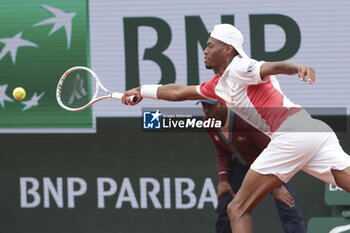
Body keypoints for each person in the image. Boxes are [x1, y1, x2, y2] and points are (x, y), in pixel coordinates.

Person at [122, 24, 350, 233]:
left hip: (290, 132)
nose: (205, 50)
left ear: (228, 49)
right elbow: (178, 92)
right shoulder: (219, 86)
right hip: (311, 129)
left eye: (211, 45)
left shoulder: (241, 67)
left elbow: (273, 67)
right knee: (343, 177)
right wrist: (141, 91)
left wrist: (297, 68)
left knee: (237, 209)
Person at [199, 99, 305, 233]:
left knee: (286, 204)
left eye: (211, 106)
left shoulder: (244, 121)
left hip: (269, 166)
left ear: (223, 103)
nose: (207, 110)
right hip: (241, 166)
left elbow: (271, 149)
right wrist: (223, 180)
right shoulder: (208, 123)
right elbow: (222, 150)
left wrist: (277, 186)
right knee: (225, 206)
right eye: (204, 106)